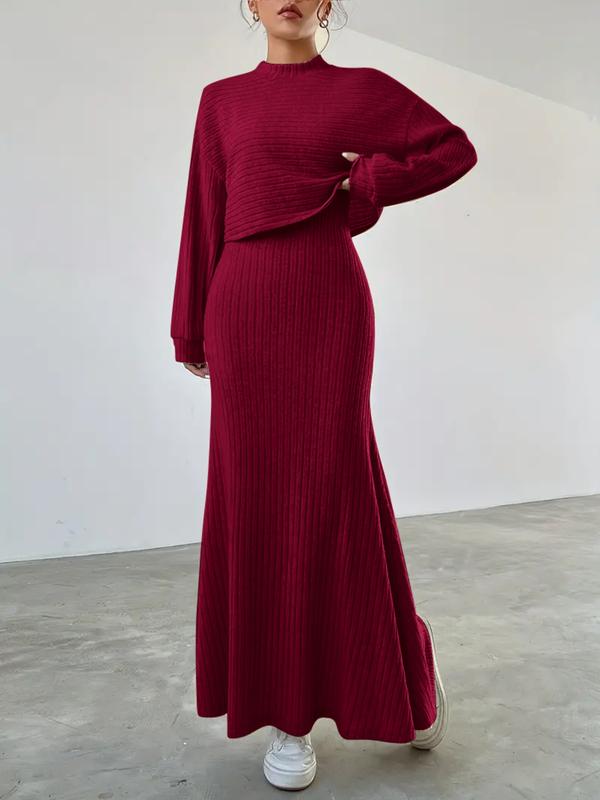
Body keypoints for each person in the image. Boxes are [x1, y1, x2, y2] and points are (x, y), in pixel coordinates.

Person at [170, 0, 477, 791]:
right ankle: (288, 715)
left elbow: (453, 149)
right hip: (243, 309)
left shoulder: (360, 90)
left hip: (328, 305)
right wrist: (189, 324)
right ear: (248, 2)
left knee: (337, 496)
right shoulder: (222, 102)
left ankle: (403, 667)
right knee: (258, 503)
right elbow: (204, 211)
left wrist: (364, 179)